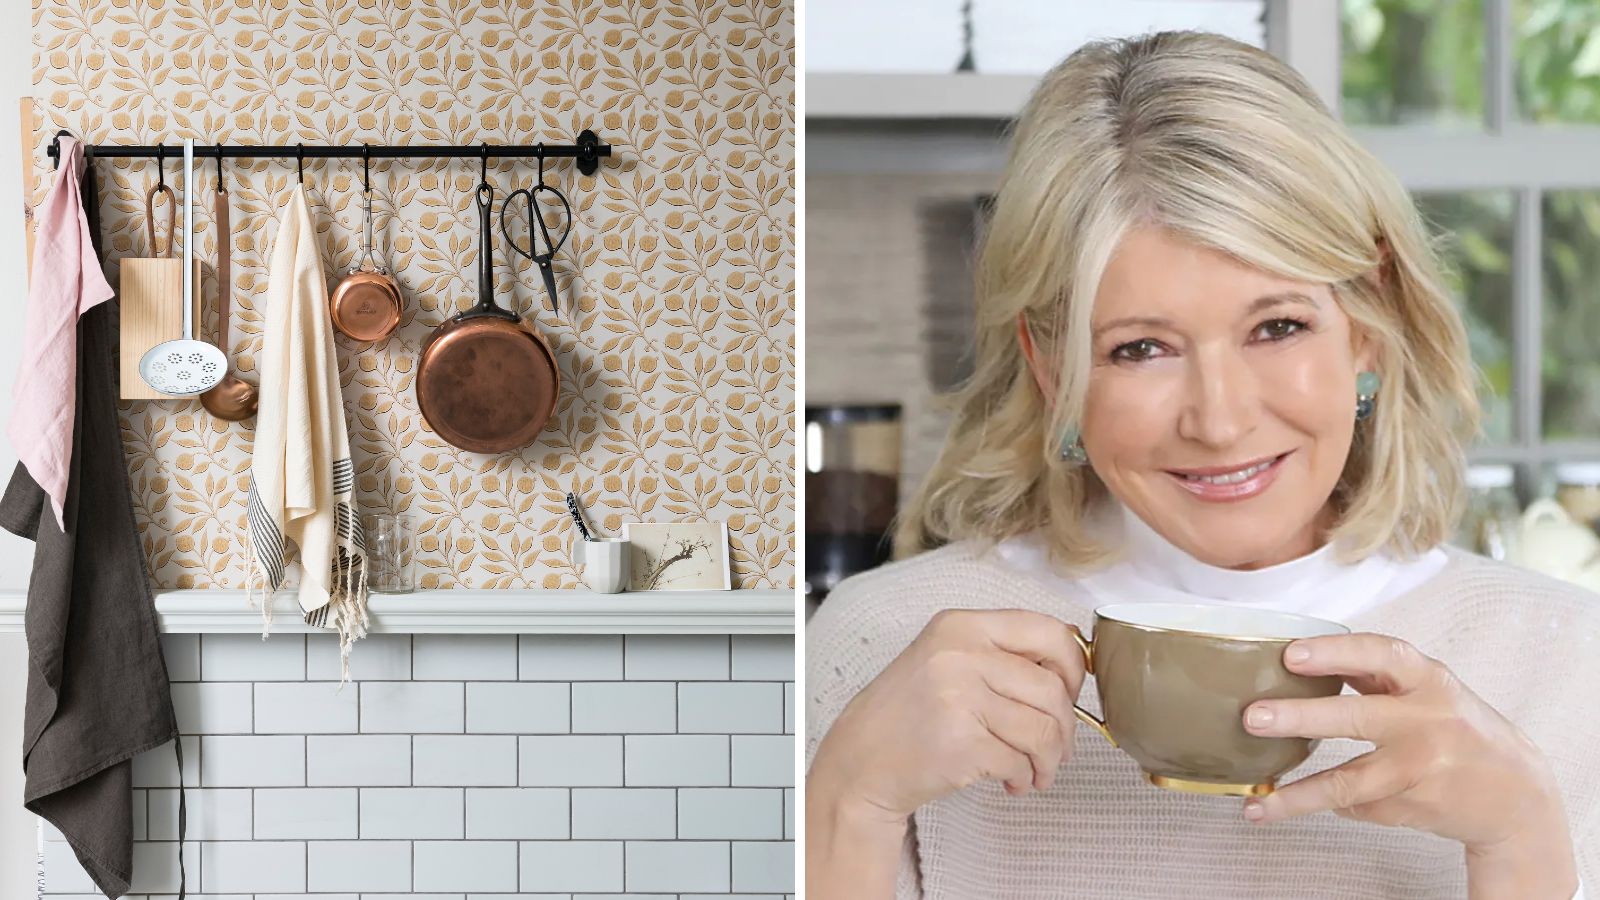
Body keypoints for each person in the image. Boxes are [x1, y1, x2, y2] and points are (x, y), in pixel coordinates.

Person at [805, 30, 1598, 900]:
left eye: (1278, 327)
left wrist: (1523, 847)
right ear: (1051, 368)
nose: (1220, 422)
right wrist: (848, 803)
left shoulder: (1562, 665)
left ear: (1366, 331)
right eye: (1141, 348)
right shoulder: (878, 644)